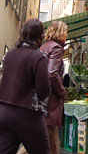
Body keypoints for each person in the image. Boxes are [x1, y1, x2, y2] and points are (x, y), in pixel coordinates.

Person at [0, 19, 51, 154]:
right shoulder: (39, 57)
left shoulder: (9, 54)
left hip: (4, 110)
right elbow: (43, 89)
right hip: (27, 113)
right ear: (40, 36)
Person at [40, 21, 68, 154]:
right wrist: (62, 92)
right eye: (65, 31)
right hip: (51, 98)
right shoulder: (56, 48)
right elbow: (52, 73)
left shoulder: (44, 46)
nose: (67, 35)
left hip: (42, 96)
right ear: (60, 32)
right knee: (48, 136)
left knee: (49, 137)